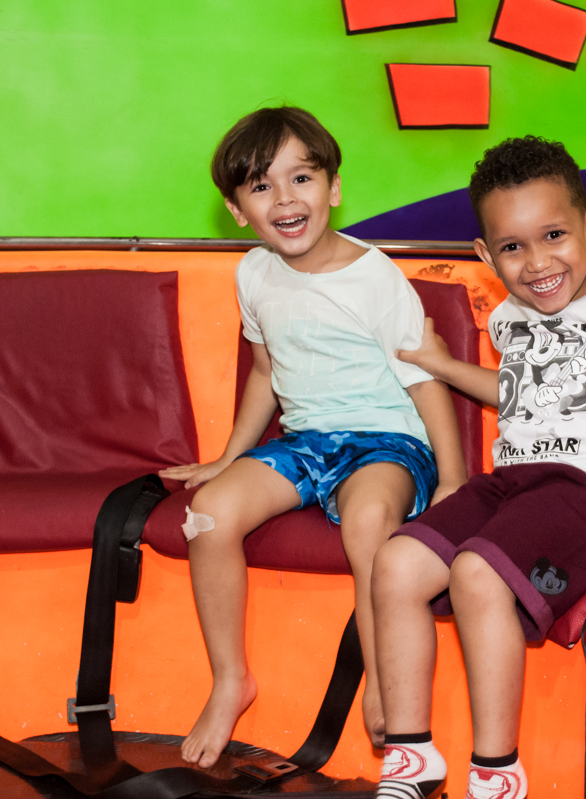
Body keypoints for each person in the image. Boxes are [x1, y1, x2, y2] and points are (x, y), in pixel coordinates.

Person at [372, 136, 586, 799]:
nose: (538, 262)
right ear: (486, 256)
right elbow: (519, 392)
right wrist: (443, 367)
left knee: (477, 569)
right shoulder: (511, 319)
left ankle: (497, 772)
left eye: (554, 235)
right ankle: (412, 758)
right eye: (514, 247)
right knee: (397, 561)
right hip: (518, 478)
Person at [159, 106, 467, 769]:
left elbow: (424, 382)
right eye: (262, 186)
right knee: (208, 514)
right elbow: (266, 371)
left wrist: (452, 478)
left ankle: (385, 676)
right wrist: (229, 458)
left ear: (333, 187)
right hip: (305, 440)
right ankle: (230, 679)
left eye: (301, 178)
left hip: (387, 441)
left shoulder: (374, 277)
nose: (285, 199)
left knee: (367, 524)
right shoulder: (254, 275)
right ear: (237, 208)